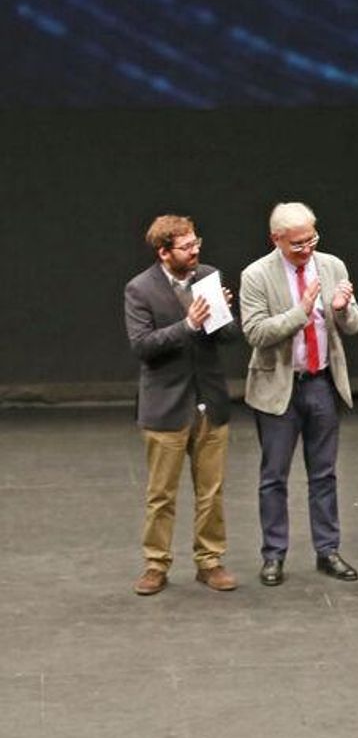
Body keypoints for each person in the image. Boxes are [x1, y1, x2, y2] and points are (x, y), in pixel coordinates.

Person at [239, 202, 358, 586]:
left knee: (324, 474)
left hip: (321, 383)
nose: (307, 248)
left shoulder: (332, 266)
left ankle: (328, 550)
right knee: (273, 477)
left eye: (312, 239)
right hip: (279, 387)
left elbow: (354, 323)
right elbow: (255, 332)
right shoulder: (256, 275)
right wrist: (302, 311)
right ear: (276, 239)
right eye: (297, 244)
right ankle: (274, 554)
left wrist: (342, 310)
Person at [123, 214, 240, 595]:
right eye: (187, 247)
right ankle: (156, 563)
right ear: (164, 252)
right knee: (162, 493)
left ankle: (210, 560)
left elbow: (229, 338)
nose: (195, 251)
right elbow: (143, 346)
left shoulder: (208, 275)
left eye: (196, 243)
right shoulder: (140, 289)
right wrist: (188, 325)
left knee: (211, 489)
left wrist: (221, 315)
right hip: (166, 404)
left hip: (209, 400)